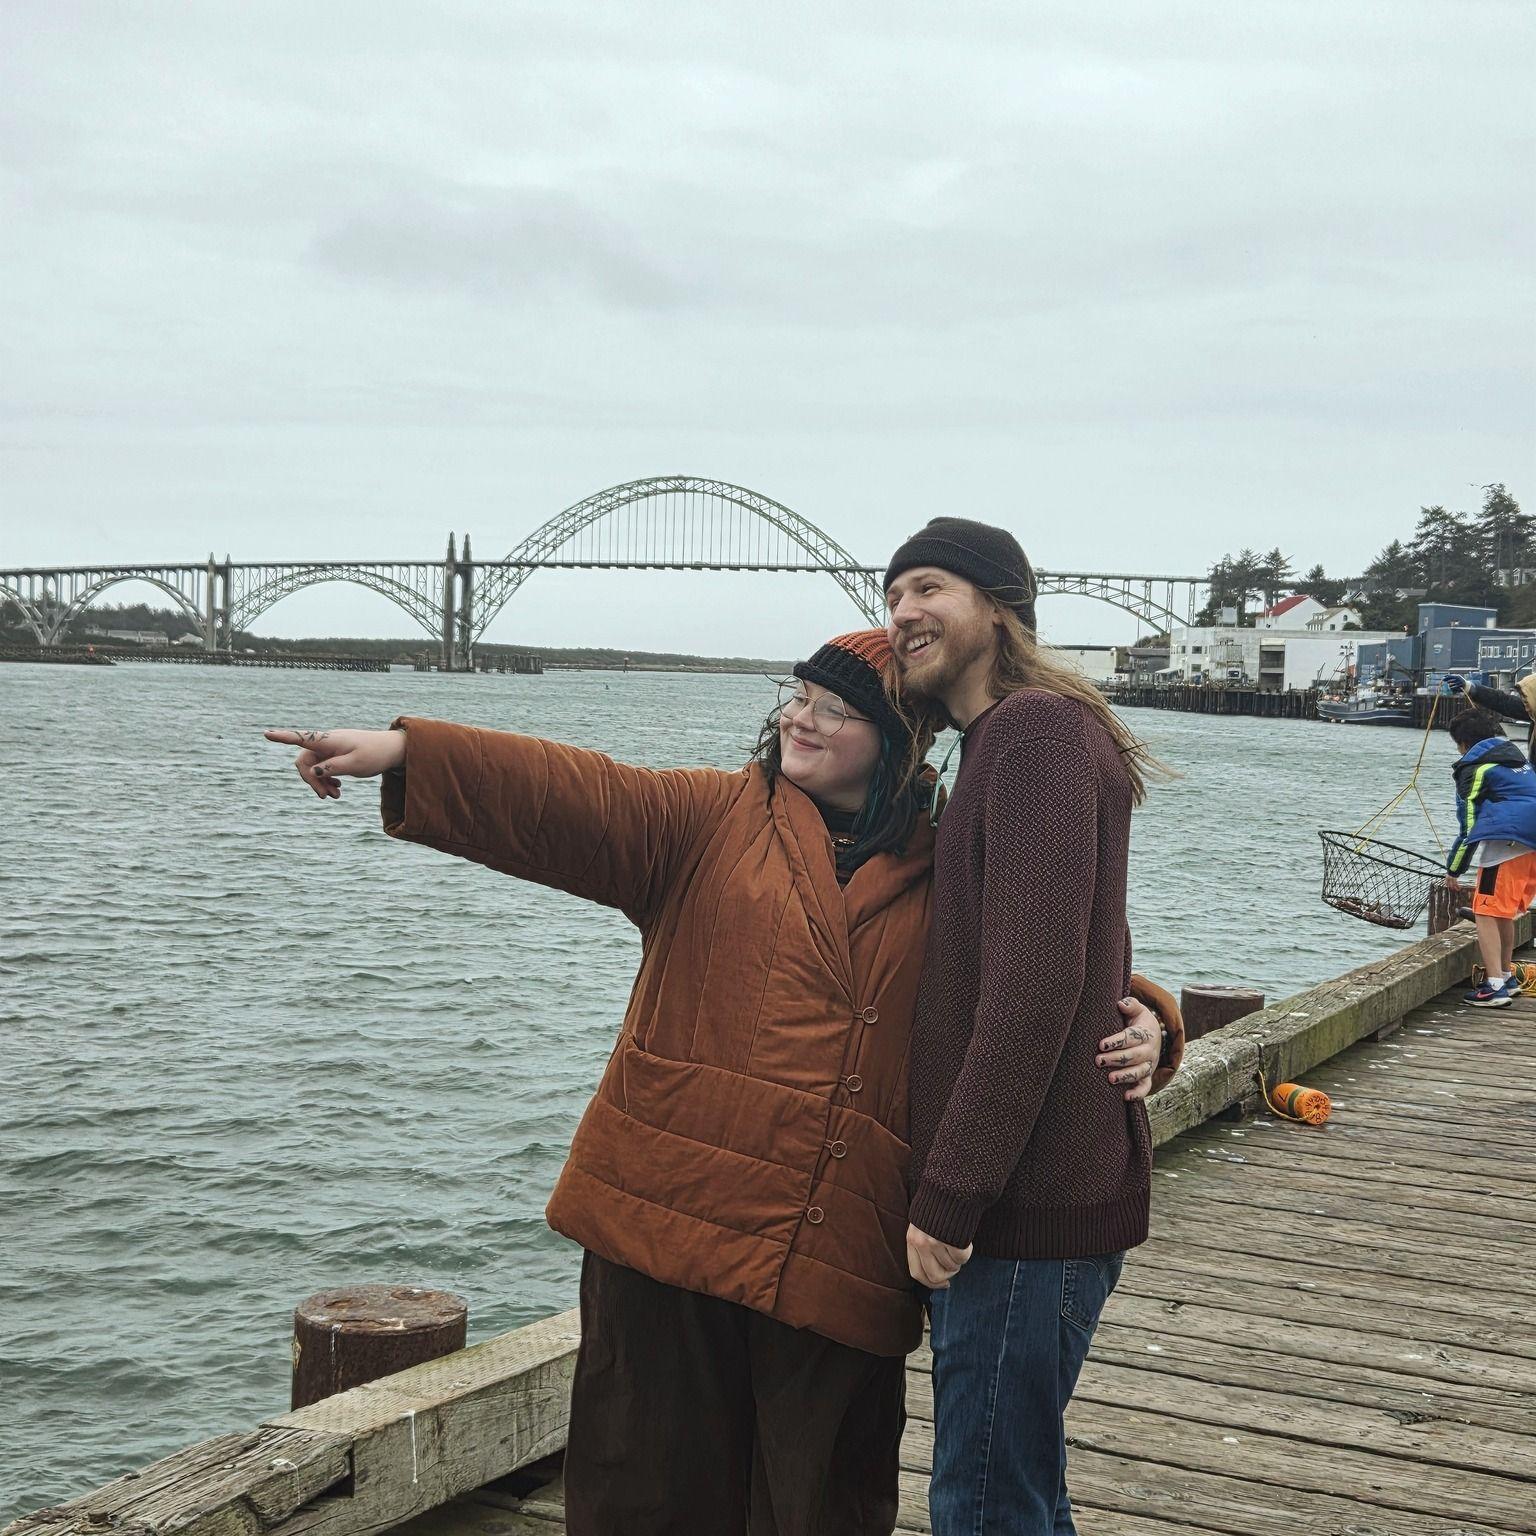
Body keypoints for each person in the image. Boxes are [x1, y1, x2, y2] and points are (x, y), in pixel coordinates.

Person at [264, 628, 1180, 1536]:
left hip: (837, 1259)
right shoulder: (705, 821)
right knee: (645, 1497)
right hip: (666, 1232)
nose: (802, 719)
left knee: (817, 1506)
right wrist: (405, 753)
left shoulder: (949, 867)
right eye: (798, 695)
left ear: (900, 743)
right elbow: (566, 796)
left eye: (837, 709)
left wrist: (1147, 1015)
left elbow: (1042, 957)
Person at [884, 518, 1172, 1536]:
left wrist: (952, 1195)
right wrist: (1159, 1021)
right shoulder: (1007, 742)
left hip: (1021, 1211)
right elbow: (1089, 945)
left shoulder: (1033, 734)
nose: (905, 613)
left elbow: (1035, 988)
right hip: (1029, 1200)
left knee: (983, 1503)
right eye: (894, 597)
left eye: (929, 589)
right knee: (1017, 1497)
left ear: (998, 608)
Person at [1441, 706, 1536, 1007]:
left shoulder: (1476, 770)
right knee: (1501, 911)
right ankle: (1505, 975)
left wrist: (1454, 870)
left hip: (1507, 842)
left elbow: (1468, 826)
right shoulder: (1515, 760)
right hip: (1530, 841)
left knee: (1484, 910)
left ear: (1463, 745)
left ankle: (1494, 985)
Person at [1445, 669, 1536, 753]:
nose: (1526, 707)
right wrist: (1468, 687)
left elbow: (1502, 701)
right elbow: (1502, 701)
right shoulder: (1532, 710)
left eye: (1527, 700)